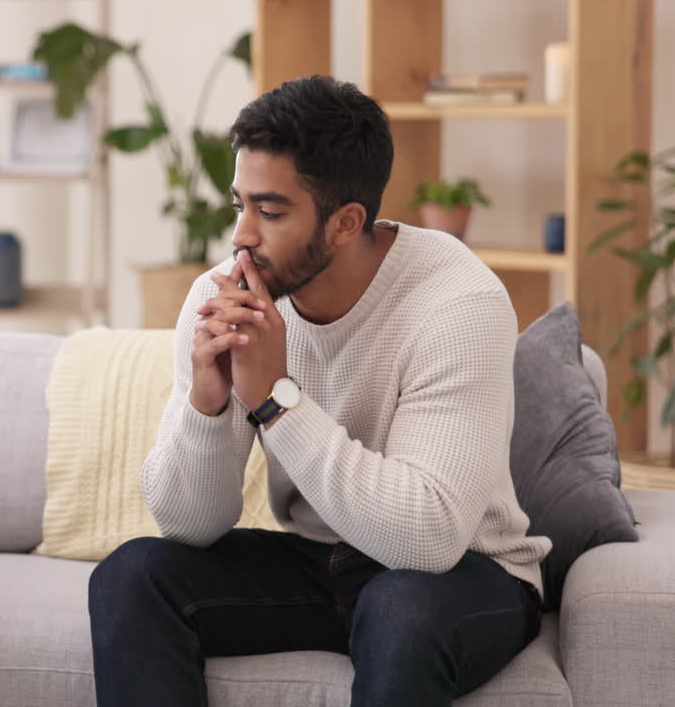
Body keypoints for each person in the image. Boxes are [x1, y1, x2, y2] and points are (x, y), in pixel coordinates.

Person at [89, 75, 548, 706]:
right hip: (317, 560)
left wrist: (275, 402)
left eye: (270, 211)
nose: (240, 236)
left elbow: (431, 538)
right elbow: (190, 525)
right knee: (132, 575)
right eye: (239, 205)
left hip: (465, 573)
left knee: (402, 607)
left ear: (345, 222)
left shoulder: (457, 302)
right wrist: (208, 402)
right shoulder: (222, 298)